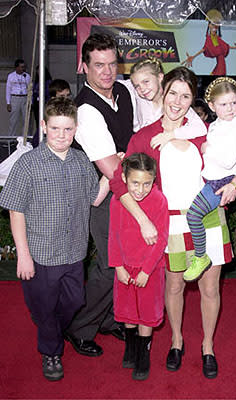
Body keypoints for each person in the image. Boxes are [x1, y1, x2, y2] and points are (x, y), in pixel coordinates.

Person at [110, 67, 236, 379]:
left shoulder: (203, 132)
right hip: (171, 224)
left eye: (185, 96)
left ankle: (208, 346)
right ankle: (177, 340)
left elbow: (229, 161)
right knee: (175, 284)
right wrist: (143, 220)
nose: (177, 101)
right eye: (173, 93)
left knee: (210, 287)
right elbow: (119, 183)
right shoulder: (144, 137)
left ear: (192, 99)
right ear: (163, 91)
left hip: (208, 218)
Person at [0, 97, 109, 381]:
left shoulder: (82, 160)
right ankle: (51, 352)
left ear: (76, 130)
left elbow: (93, 199)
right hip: (41, 255)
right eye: (56, 128)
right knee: (46, 307)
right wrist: (23, 255)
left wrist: (112, 174)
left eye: (68, 129)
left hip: (74, 253)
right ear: (45, 126)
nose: (62, 135)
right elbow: (15, 210)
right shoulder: (28, 164)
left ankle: (48, 325)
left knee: (74, 302)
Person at [65, 33, 134, 356]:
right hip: (100, 197)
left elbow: (132, 143)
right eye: (98, 65)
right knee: (109, 265)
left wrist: (126, 154)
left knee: (121, 261)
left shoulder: (123, 91)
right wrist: (126, 157)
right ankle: (80, 327)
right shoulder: (86, 110)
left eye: (111, 64)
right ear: (84, 67)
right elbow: (111, 168)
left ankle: (107, 318)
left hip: (123, 189)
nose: (107, 72)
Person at [109, 152, 169, 381]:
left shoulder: (159, 201)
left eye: (147, 183)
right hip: (124, 267)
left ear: (154, 180)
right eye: (135, 182)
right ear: (124, 178)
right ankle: (130, 347)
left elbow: (161, 239)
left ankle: (143, 353)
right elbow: (114, 235)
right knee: (127, 311)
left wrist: (146, 270)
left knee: (146, 314)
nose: (141, 189)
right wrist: (118, 266)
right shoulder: (118, 201)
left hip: (149, 270)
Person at [184, 77, 236, 281]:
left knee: (193, 216)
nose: (230, 108)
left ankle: (200, 256)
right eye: (223, 104)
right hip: (211, 180)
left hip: (220, 183)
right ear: (211, 105)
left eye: (233, 102)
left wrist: (207, 149)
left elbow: (229, 161)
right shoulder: (219, 125)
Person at [121, 58, 207, 139]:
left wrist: (171, 135)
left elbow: (200, 128)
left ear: (160, 77)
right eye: (137, 86)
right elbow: (112, 83)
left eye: (146, 81)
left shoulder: (173, 101)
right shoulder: (136, 91)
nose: (142, 88)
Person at [182, 9, 236, 75]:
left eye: (216, 26)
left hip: (222, 64)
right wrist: (193, 56)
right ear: (209, 25)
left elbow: (226, 46)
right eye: (212, 25)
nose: (214, 28)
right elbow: (204, 48)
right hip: (220, 64)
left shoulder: (217, 39)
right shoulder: (209, 39)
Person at [6, 58, 31, 136]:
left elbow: (30, 89)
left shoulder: (27, 76)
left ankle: (25, 137)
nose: (22, 69)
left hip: (24, 98)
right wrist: (8, 102)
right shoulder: (11, 76)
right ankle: (11, 138)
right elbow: (8, 89)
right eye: (21, 67)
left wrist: (31, 102)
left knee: (26, 119)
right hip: (15, 98)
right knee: (13, 119)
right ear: (16, 67)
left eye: (23, 67)